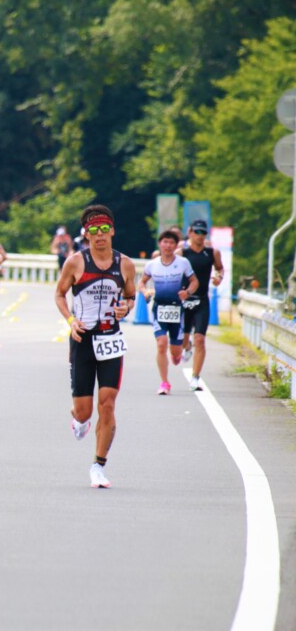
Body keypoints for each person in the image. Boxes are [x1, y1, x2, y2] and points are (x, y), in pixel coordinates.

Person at [55, 204, 136, 489]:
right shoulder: (76, 262)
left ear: (112, 231)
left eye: (104, 229)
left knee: (108, 403)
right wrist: (70, 320)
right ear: (86, 234)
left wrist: (125, 308)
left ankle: (98, 466)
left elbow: (130, 297)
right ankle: (78, 419)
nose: (99, 235)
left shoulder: (125, 264)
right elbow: (60, 294)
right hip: (83, 340)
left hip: (111, 340)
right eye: (93, 230)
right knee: (85, 411)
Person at [139, 230, 198, 395]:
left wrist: (187, 293)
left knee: (175, 350)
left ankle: (178, 354)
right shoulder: (152, 264)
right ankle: (164, 383)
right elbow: (142, 282)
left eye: (171, 243)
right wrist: (145, 292)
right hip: (159, 308)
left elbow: (194, 281)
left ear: (175, 245)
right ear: (160, 244)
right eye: (165, 242)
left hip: (177, 309)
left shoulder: (183, 262)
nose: (168, 246)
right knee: (161, 343)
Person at [178, 219, 225, 391]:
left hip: (202, 300)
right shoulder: (182, 252)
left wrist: (219, 278)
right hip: (184, 300)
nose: (199, 236)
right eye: (196, 232)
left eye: (202, 233)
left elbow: (220, 269)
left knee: (200, 339)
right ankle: (186, 346)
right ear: (190, 232)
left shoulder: (213, 253)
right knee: (181, 340)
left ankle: (195, 377)